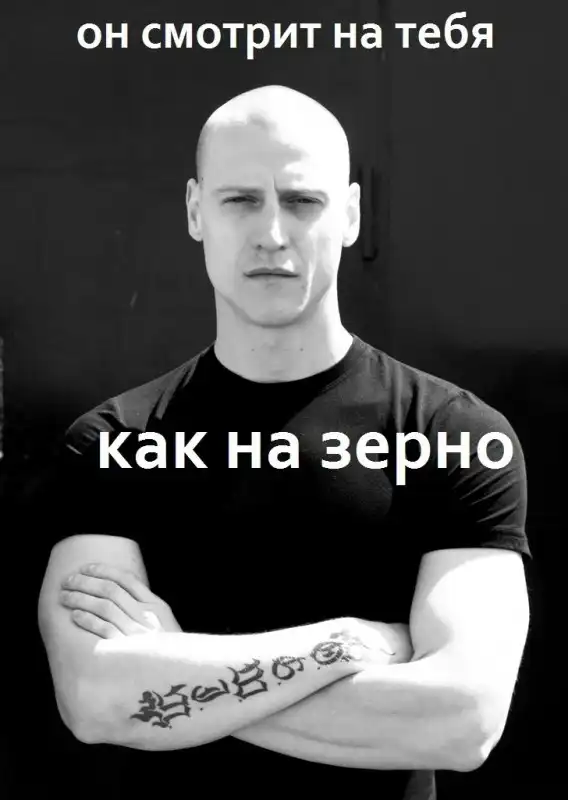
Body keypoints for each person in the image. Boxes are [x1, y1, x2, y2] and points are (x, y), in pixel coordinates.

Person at [37, 85, 530, 799]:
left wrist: (173, 667)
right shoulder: (112, 445)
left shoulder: (453, 436)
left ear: (351, 215)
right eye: (241, 200)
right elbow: (96, 700)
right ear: (195, 212)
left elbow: (464, 720)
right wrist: (348, 646)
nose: (272, 233)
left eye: (302, 201)